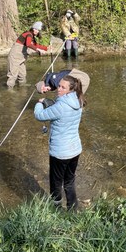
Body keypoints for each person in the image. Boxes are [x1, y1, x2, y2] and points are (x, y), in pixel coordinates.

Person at [34, 75, 85, 210]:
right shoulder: (79, 100)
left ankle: (56, 209)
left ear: (70, 89)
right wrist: (51, 102)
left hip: (60, 153)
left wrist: (39, 103)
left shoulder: (61, 105)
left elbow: (39, 116)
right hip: (75, 150)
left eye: (63, 87)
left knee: (56, 183)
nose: (59, 89)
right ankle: (72, 208)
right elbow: (61, 111)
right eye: (59, 85)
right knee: (69, 181)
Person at [7, 21, 50, 88]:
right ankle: (9, 89)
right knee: (13, 74)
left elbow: (35, 45)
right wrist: (39, 50)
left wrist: (46, 48)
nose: (37, 31)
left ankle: (22, 86)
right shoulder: (28, 34)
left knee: (22, 74)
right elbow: (28, 44)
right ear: (33, 28)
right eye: (35, 29)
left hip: (21, 58)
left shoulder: (31, 36)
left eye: (38, 30)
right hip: (15, 56)